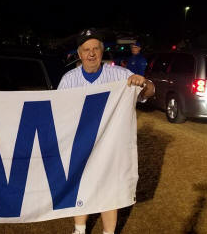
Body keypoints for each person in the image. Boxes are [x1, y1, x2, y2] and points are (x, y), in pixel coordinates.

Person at [58, 28, 155, 234]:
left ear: (102, 52)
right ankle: (80, 229)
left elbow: (149, 91)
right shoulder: (68, 80)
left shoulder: (120, 75)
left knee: (109, 189)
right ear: (79, 53)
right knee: (81, 185)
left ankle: (108, 232)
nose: (91, 53)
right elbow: (58, 113)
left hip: (111, 146)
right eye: (86, 49)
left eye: (95, 48)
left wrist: (144, 83)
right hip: (81, 145)